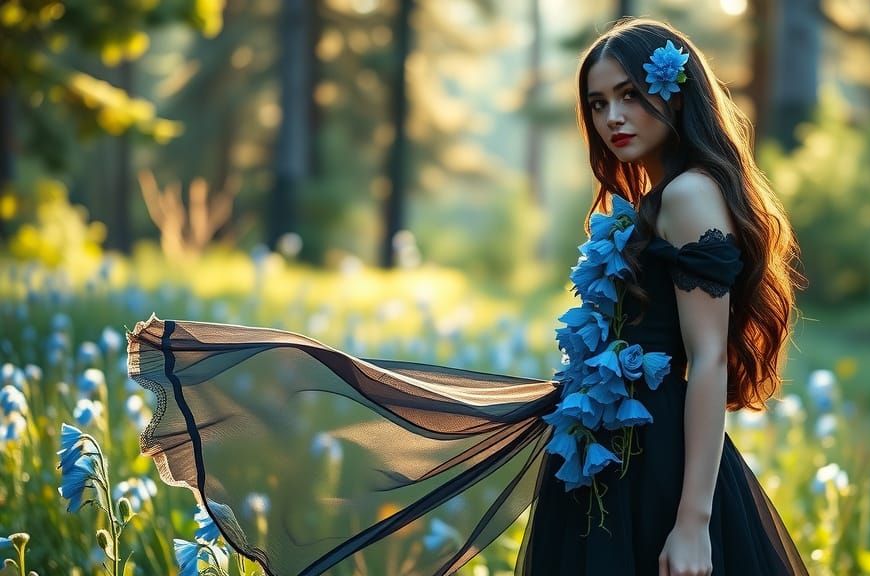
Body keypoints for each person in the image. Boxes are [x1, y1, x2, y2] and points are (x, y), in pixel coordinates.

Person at [125, 16, 808, 576]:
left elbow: (708, 360)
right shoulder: (654, 199)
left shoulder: (688, 195)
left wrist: (692, 522)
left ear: (675, 92)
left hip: (654, 468)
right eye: (598, 104)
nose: (612, 118)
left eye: (629, 95)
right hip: (609, 451)